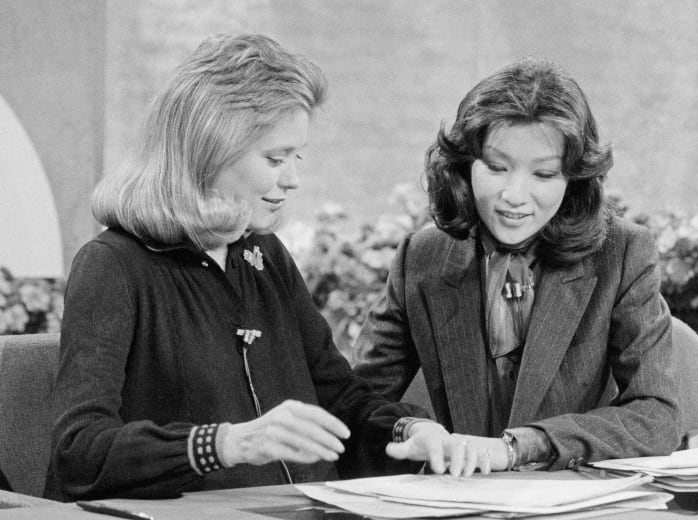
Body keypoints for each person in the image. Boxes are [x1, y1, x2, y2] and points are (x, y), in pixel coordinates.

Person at [46, 33, 464, 501]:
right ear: (208, 151)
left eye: (296, 156)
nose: (293, 179)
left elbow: (339, 400)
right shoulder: (112, 266)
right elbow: (78, 451)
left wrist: (409, 433)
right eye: (274, 158)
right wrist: (224, 444)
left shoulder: (266, 255)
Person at [355, 57, 682, 473]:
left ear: (573, 180)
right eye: (496, 167)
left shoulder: (623, 252)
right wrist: (409, 429)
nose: (514, 194)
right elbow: (358, 403)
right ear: (463, 164)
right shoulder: (420, 257)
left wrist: (525, 446)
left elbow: (657, 415)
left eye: (544, 175)